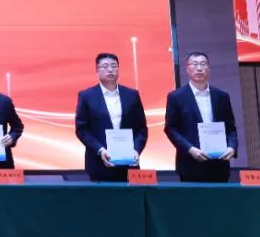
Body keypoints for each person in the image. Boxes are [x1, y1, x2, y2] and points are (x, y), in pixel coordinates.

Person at [164, 51, 238, 183]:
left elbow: (231, 128)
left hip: (219, 164)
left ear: (209, 69)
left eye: (203, 64)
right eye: (194, 64)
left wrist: (232, 147)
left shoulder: (222, 96)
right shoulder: (176, 97)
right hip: (190, 165)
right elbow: (171, 129)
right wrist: (190, 149)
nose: (199, 68)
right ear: (187, 69)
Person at [74, 53, 148, 182]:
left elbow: (141, 128)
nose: (110, 70)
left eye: (114, 66)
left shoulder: (132, 95)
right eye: (105, 66)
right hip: (99, 163)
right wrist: (100, 150)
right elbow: (82, 130)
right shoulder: (86, 96)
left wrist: (136, 150)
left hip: (129, 164)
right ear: (97, 70)